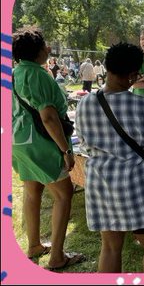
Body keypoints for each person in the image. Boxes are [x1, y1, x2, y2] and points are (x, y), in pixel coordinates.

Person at [75, 41, 144, 273]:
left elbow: (84, 143)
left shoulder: (85, 104)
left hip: (101, 183)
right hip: (137, 185)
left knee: (110, 247)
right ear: (132, 76)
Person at [12, 27, 83, 271]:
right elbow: (49, 117)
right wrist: (66, 150)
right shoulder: (37, 74)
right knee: (64, 194)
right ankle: (57, 257)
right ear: (37, 50)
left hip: (19, 143)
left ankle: (34, 245)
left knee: (32, 190)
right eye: (45, 45)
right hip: (40, 144)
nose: (49, 49)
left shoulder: (14, 73)